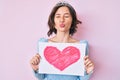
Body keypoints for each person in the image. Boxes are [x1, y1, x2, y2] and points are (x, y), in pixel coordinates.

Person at [30, 1, 94, 80]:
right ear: (53, 22)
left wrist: (88, 72)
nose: (62, 20)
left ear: (72, 21)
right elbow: (42, 77)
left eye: (66, 16)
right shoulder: (44, 44)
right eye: (58, 16)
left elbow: (81, 78)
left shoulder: (81, 46)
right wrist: (36, 68)